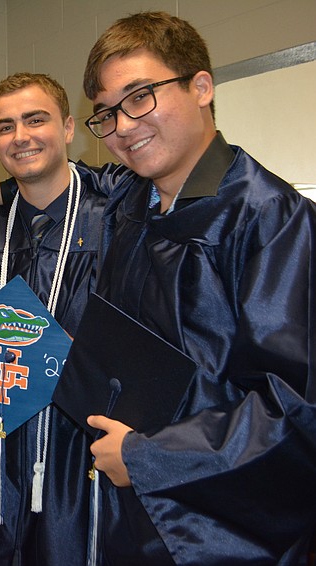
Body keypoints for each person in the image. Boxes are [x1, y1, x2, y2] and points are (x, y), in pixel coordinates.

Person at [79, 12, 316, 565]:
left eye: (140, 97)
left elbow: (297, 410)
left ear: (202, 87)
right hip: (128, 519)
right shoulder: (133, 208)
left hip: (221, 537)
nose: (124, 126)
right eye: (107, 113)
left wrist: (146, 457)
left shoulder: (272, 222)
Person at [0, 72, 127, 565]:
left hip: (85, 449)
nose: (20, 136)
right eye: (5, 126)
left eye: (35, 120)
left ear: (69, 128)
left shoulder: (118, 219)